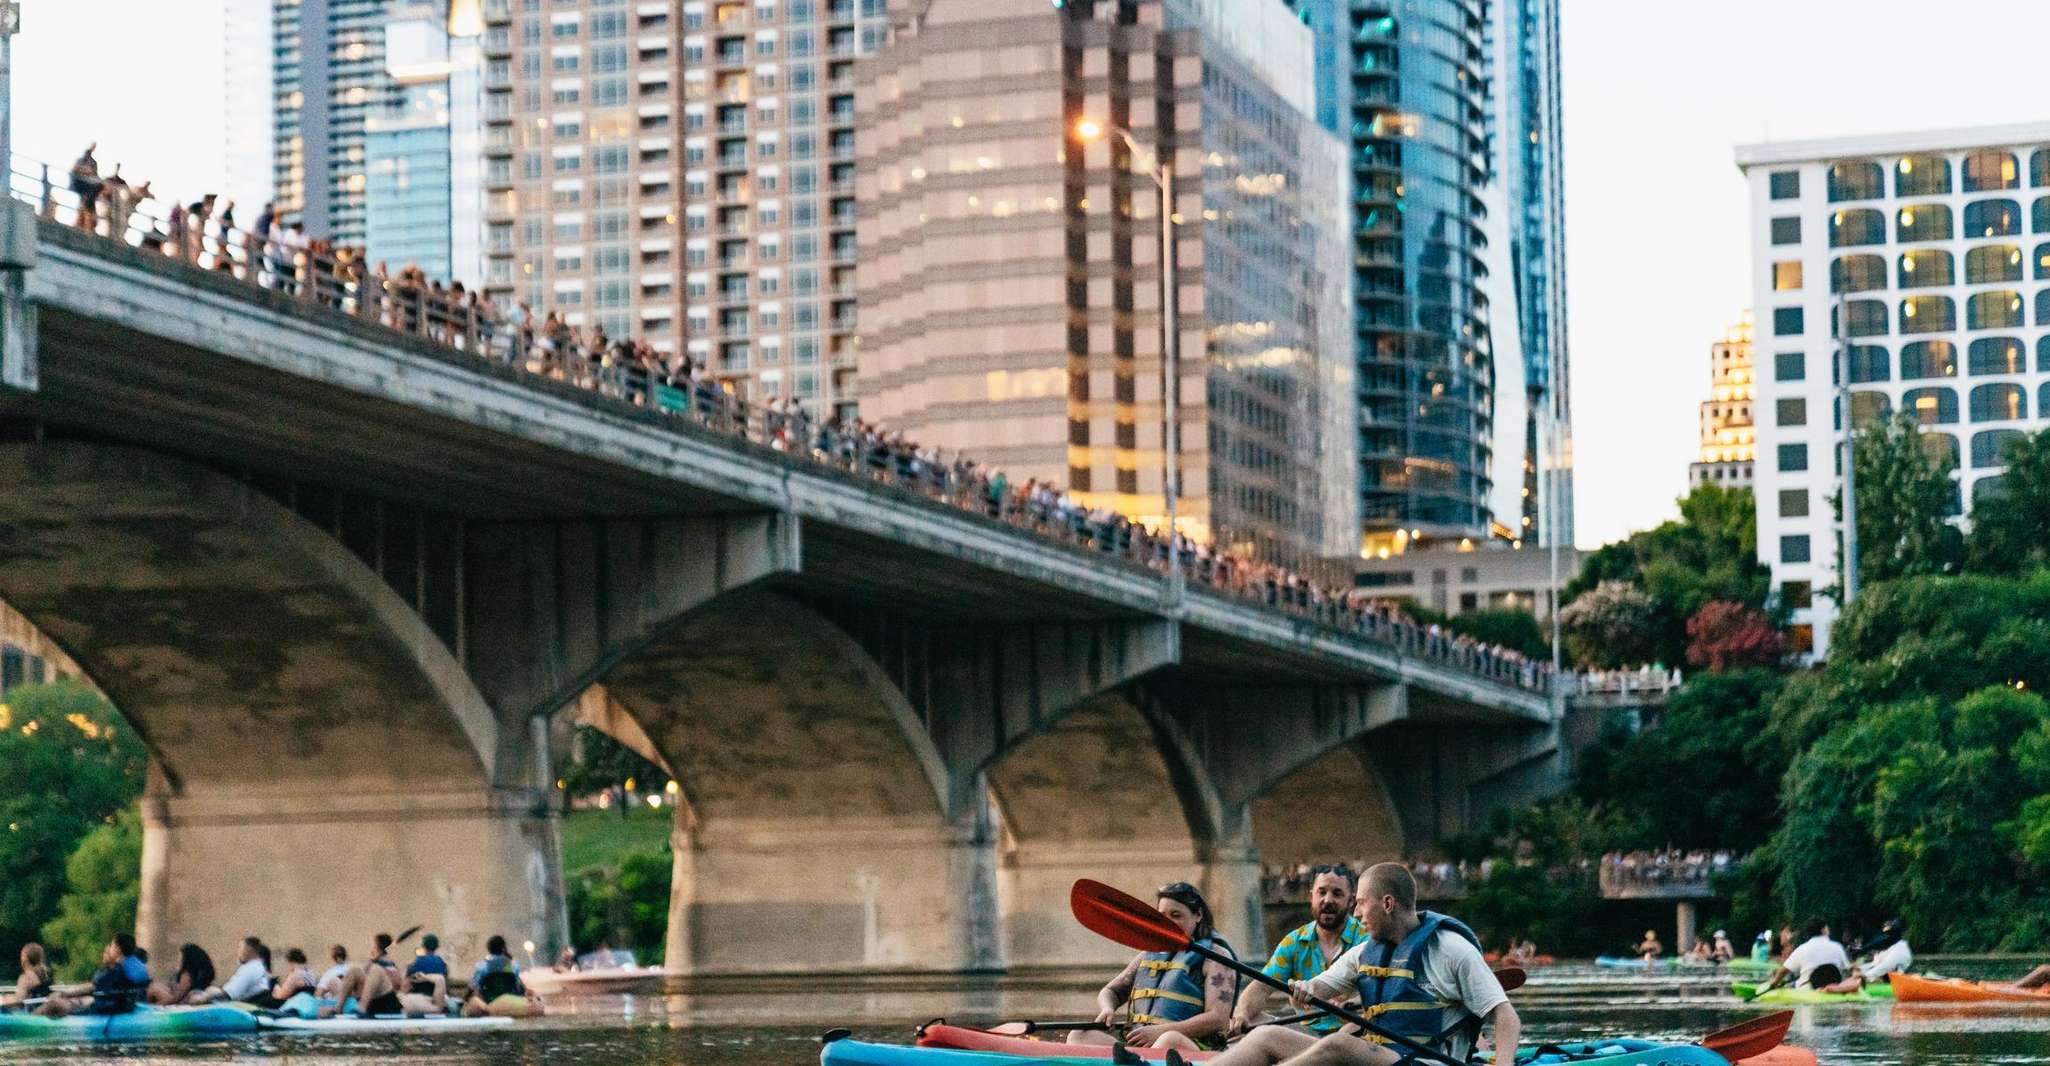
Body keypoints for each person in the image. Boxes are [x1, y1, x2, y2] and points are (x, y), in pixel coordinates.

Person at [1200, 863, 1518, 1066]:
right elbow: (1321, 986)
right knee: (1264, 1036)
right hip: (1382, 1058)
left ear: (1388, 904)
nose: (1356, 914)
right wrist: (1305, 988)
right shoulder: (1366, 952)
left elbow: (1505, 1015)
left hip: (1427, 1063)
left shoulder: (1451, 949)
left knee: (1337, 1044)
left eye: (1361, 903)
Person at [1069, 882, 1237, 1052]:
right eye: (1162, 916)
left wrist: (1160, 1032)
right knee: (1080, 1035)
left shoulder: (1217, 957)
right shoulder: (1147, 955)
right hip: (1138, 1048)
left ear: (1198, 915)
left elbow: (1218, 1018)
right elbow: (1111, 991)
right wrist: (1107, 1008)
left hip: (1189, 1047)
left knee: (1168, 1041)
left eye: (1176, 915)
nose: (1168, 922)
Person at [1232, 865, 1365, 1037]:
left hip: (1354, 1034)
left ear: (1351, 900)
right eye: (1322, 892)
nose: (1328, 900)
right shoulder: (1294, 941)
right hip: (1307, 1035)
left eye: (1337, 894)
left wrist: (1353, 1002)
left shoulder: (1365, 938)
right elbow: (1261, 987)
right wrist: (1242, 1014)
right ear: (1311, 896)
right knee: (1252, 1019)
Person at [37, 934, 150, 1017]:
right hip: (125, 1008)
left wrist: (63, 993)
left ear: (117, 949)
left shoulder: (116, 972)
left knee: (53, 1005)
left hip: (107, 1011)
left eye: (111, 945)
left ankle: (30, 1019)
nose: (109, 948)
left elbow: (91, 987)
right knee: (76, 1002)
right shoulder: (132, 968)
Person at [320, 933, 404, 1019]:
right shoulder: (374, 962)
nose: (372, 949)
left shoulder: (389, 963)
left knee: (376, 970)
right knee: (354, 971)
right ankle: (337, 1008)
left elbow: (398, 985)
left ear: (378, 948)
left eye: (374, 946)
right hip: (371, 1002)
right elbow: (365, 976)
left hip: (386, 1003)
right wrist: (372, 961)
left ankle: (361, 1009)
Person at [1759, 918, 1848, 992]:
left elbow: (1783, 971)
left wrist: (1774, 984)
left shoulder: (1802, 948)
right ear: (1823, 930)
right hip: (1834, 989)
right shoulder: (1838, 947)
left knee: (1789, 985)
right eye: (1827, 927)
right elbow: (1847, 969)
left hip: (1807, 989)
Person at [464, 934, 544, 1017]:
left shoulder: (482, 966)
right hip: (511, 1001)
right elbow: (518, 985)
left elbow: (472, 987)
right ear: (503, 948)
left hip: (490, 1002)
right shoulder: (514, 965)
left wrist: (466, 999)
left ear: (489, 949)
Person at [1822, 919, 1911, 993]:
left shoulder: (1900, 951)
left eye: (1888, 934)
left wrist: (1863, 975)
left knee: (1857, 979)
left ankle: (1835, 989)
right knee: (1856, 976)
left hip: (1893, 985)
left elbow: (1884, 968)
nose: (1885, 937)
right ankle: (1834, 988)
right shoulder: (1889, 948)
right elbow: (1874, 965)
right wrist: (1858, 968)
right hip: (1881, 980)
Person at [147, 943, 217, 1005]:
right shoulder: (203, 971)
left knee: (153, 989)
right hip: (194, 995)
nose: (180, 959)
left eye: (181, 956)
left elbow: (179, 996)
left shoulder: (187, 974)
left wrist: (160, 1005)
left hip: (184, 1000)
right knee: (158, 986)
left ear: (188, 958)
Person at [221, 937, 276, 1005]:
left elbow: (229, 993)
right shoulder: (259, 969)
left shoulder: (252, 968)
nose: (238, 952)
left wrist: (210, 993)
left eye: (240, 948)